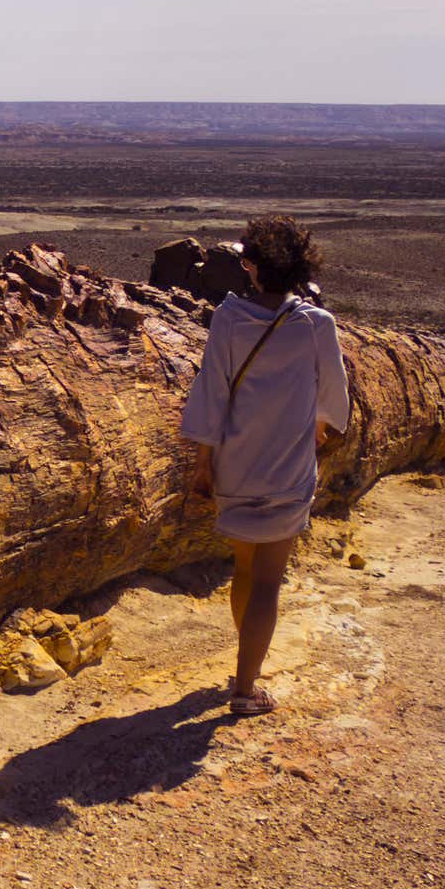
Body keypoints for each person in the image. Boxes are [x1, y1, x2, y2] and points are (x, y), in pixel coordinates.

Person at [179, 215, 350, 717]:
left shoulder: (229, 320)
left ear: (250, 265)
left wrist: (204, 463)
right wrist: (318, 428)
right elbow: (334, 397)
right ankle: (245, 688)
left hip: (235, 463)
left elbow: (210, 392)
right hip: (287, 468)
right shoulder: (317, 325)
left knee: (245, 567)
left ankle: (243, 665)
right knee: (270, 579)